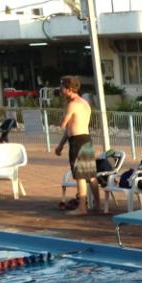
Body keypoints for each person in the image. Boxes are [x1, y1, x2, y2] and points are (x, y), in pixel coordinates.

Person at [54, 76, 98, 216]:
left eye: (62, 88)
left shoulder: (72, 104)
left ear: (69, 89)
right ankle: (98, 204)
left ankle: (82, 208)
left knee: (80, 175)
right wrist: (60, 145)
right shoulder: (85, 103)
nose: (61, 91)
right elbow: (71, 129)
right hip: (86, 139)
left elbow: (63, 124)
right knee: (91, 175)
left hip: (77, 142)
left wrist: (61, 118)